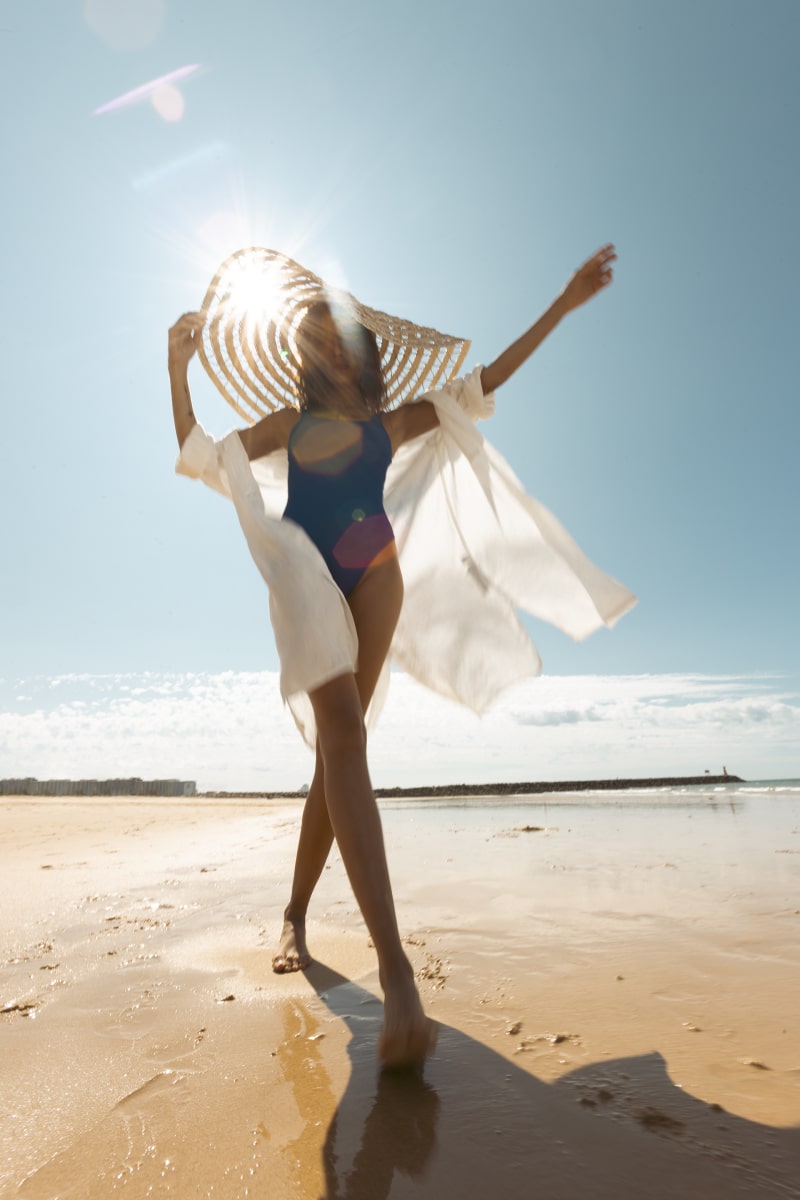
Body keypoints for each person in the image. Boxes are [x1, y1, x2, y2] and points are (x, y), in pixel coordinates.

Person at [168, 243, 631, 1068]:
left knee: (340, 750)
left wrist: (562, 303)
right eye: (312, 338)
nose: (325, 346)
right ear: (307, 358)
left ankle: (296, 915)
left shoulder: (392, 422)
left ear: (361, 349)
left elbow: (484, 385)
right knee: (342, 736)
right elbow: (205, 455)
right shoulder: (288, 424)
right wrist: (177, 367)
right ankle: (397, 975)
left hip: (377, 575)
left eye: (335, 333)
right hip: (306, 576)